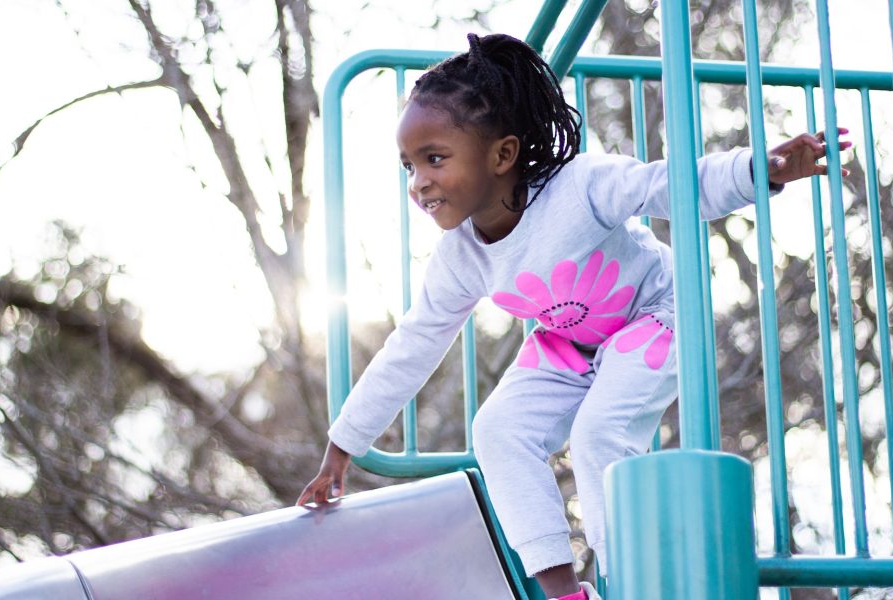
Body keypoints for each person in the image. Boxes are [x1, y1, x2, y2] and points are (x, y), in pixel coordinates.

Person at [297, 33, 850, 600]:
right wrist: (344, 445)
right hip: (568, 343)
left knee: (597, 432)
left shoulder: (580, 186)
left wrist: (765, 168)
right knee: (498, 430)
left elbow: (670, 186)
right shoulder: (459, 257)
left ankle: (629, 583)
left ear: (503, 155)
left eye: (435, 159)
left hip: (655, 315)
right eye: (409, 166)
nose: (420, 183)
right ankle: (565, 593)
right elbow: (412, 345)